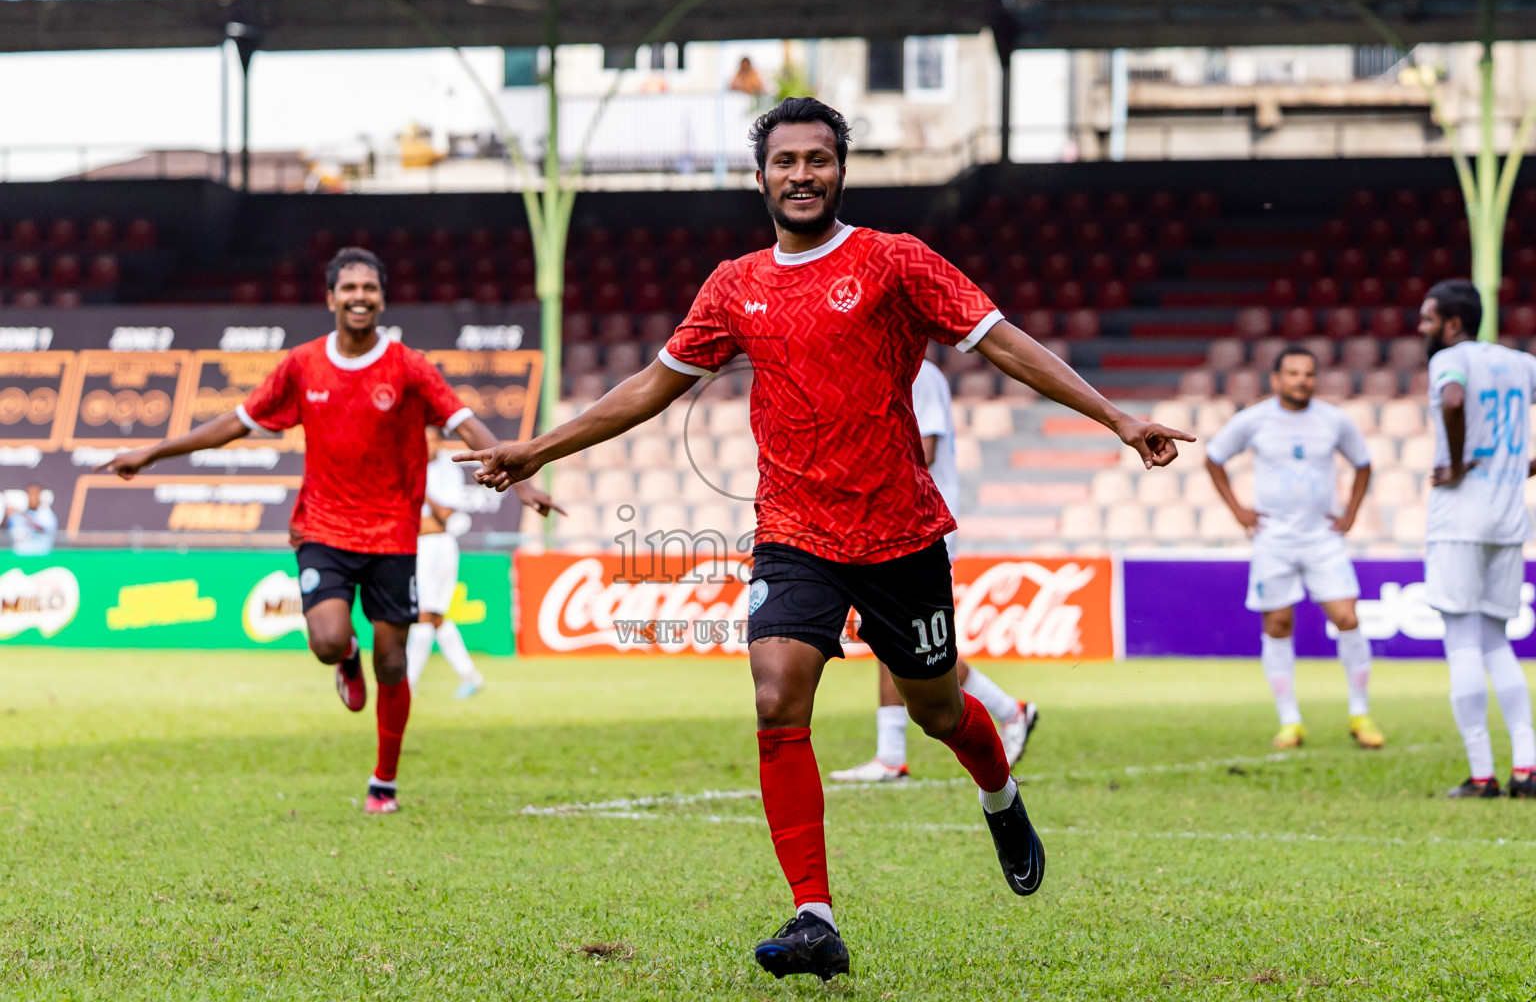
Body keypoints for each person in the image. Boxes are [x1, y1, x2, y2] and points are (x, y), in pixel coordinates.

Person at [455, 97, 1191, 981]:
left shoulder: (894, 261)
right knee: (775, 698)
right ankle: (813, 916)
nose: (801, 175)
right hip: (793, 531)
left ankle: (999, 794)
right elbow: (652, 386)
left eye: (818, 159)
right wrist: (536, 447)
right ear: (759, 175)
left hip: (898, 532)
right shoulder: (733, 285)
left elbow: (1004, 344)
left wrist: (1113, 416)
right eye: (785, 161)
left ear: (841, 168)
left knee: (938, 710)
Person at [98, 247, 556, 814]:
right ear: (330, 297)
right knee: (328, 639)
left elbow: (464, 423)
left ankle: (384, 780)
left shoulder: (410, 366)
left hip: (393, 532)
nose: (359, 296)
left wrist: (521, 475)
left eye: (369, 288)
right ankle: (344, 659)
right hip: (324, 525)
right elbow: (232, 425)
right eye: (349, 288)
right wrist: (150, 453)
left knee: (393, 664)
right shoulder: (303, 364)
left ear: (382, 298)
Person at [831, 358, 1037, 783]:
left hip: (922, 527)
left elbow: (926, 449)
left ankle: (1005, 712)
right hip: (886, 525)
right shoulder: (880, 369)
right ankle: (894, 754)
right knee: (893, 635)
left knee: (912, 643)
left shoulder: (919, 374)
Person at [1204, 346, 1382, 750]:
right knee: (1278, 625)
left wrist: (1351, 513)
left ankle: (1360, 713)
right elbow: (1213, 458)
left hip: (1323, 538)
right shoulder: (1255, 419)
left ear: (1315, 380)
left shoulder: (1334, 421)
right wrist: (1238, 511)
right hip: (1274, 539)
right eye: (1293, 373)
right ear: (1277, 380)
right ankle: (1290, 721)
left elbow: (1363, 463)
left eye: (1308, 374)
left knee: (1347, 617)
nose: (1301, 380)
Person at [1416, 278, 1536, 800]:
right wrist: (1522, 466)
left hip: (1462, 516)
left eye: (1428, 319)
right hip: (1510, 517)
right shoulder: (1520, 362)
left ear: (1454, 323)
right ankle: (1527, 767)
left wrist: (1461, 465)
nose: (1422, 328)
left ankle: (1482, 773)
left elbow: (1454, 399)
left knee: (1462, 641)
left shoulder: (1450, 358)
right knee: (1495, 640)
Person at [406, 426, 485, 698]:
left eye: (431, 440)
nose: (426, 445)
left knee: (424, 614)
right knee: (435, 616)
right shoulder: (408, 466)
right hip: (417, 546)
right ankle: (469, 674)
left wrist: (419, 487)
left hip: (437, 547)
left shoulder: (446, 471)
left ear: (440, 442)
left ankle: (407, 682)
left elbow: (443, 514)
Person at [5, 483, 57, 556]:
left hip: (42, 556)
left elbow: (42, 530)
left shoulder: (47, 515)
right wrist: (6, 514)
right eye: (30, 494)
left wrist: (23, 515)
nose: (33, 497)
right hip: (20, 556)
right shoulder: (15, 516)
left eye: (36, 494)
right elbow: (8, 534)